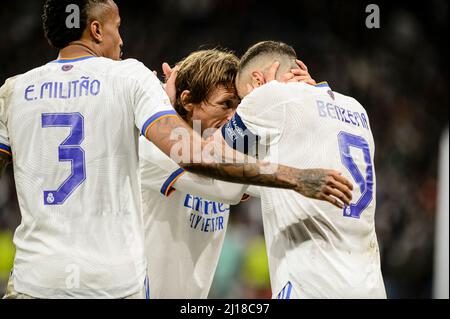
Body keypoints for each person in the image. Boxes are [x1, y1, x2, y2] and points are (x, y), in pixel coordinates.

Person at [0, 0, 352, 299]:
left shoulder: (13, 91)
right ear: (95, 30)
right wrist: (295, 173)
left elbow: (244, 169)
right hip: (112, 284)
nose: (122, 40)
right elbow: (199, 159)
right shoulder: (129, 79)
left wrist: (303, 97)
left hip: (34, 277)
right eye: (117, 27)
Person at [140, 49, 317, 298]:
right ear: (188, 100)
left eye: (239, 106)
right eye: (225, 104)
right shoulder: (155, 148)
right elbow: (227, 188)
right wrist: (262, 105)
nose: (234, 116)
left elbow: (291, 174)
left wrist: (304, 104)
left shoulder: (224, 148)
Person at [218, 40, 386, 298]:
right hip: (370, 286)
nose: (239, 109)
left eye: (242, 97)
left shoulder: (269, 97)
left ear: (258, 80)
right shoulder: (356, 109)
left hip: (311, 286)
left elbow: (207, 155)